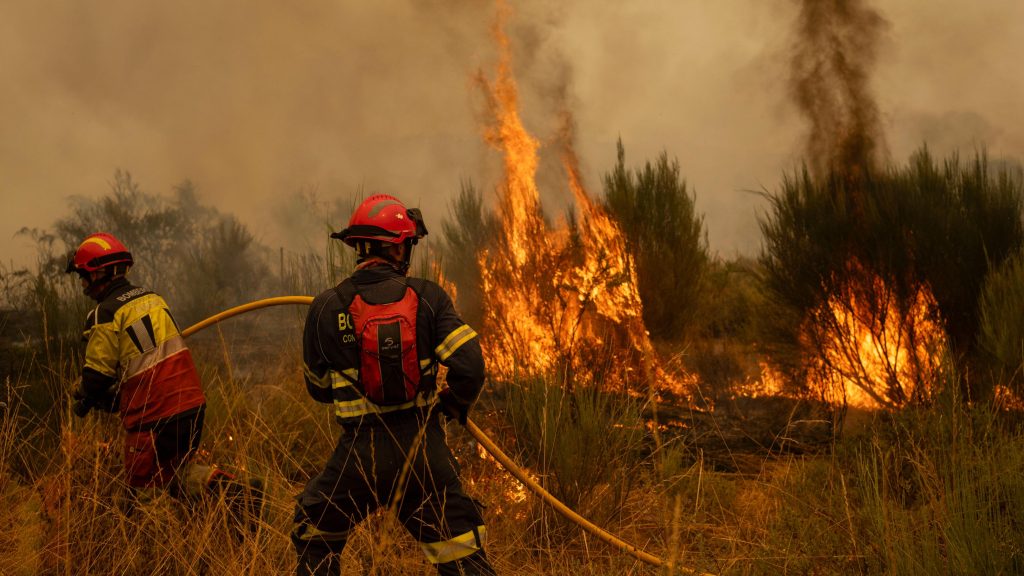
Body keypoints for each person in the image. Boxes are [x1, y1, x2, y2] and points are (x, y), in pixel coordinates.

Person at [293, 194, 496, 576]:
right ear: (398, 246)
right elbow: (470, 366)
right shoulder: (428, 297)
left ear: (358, 247)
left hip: (358, 456)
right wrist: (451, 405)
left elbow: (318, 389)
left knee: (315, 538)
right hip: (422, 452)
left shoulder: (326, 306)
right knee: (463, 557)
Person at [66, 232, 209, 499]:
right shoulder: (152, 298)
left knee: (142, 496)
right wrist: (113, 399)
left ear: (99, 274)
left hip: (154, 417)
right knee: (177, 474)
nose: (83, 284)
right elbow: (147, 365)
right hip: (191, 406)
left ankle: (152, 539)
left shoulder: (104, 313)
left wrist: (84, 396)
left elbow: (97, 376)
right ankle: (233, 492)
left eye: (83, 275)